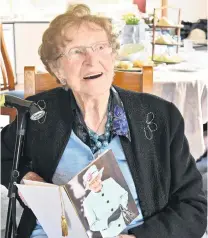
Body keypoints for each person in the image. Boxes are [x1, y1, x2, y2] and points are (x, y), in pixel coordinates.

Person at [1, 4, 207, 238]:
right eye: (76, 51)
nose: (91, 60)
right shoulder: (40, 113)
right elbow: (3, 155)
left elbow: (193, 208)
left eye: (100, 47)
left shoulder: (161, 117)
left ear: (113, 55)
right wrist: (29, 178)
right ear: (58, 70)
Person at [82, 165, 130, 237]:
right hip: (110, 234)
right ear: (88, 187)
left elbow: (124, 194)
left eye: (96, 179)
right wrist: (108, 220)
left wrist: (122, 206)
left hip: (126, 224)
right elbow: (93, 225)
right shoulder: (87, 202)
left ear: (100, 177)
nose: (95, 184)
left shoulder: (110, 182)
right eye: (91, 183)